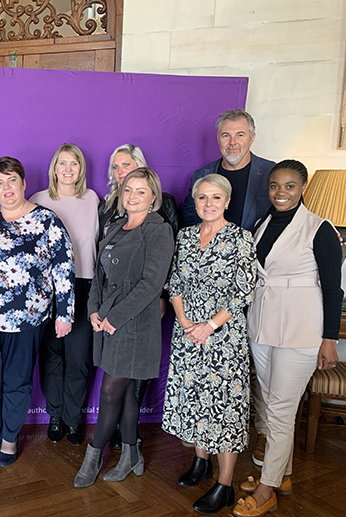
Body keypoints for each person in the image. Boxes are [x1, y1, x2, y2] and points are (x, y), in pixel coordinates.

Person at [233, 160, 343, 517]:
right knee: (268, 401)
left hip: (300, 330)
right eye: (275, 186)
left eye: (290, 186)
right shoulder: (263, 224)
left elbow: (333, 290)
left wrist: (329, 339)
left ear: (303, 188)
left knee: (281, 409)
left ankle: (267, 490)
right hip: (262, 325)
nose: (281, 193)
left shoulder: (320, 229)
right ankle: (283, 474)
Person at [0, 156, 75, 467]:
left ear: (24, 183)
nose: (6, 188)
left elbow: (63, 267)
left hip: (26, 318)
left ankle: (9, 438)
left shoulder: (47, 221)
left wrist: (65, 313)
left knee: (17, 379)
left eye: (11, 180)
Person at [73, 168, 174, 488]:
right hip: (106, 320)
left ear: (153, 198)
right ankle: (132, 454)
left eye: (141, 191)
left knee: (111, 389)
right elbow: (99, 276)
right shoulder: (115, 226)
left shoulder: (158, 230)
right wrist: (92, 311)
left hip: (135, 324)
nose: (132, 196)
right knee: (128, 392)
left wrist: (114, 318)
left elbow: (151, 285)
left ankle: (94, 456)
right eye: (128, 189)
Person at [163, 173, 257, 515]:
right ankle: (200, 461)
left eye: (216, 198)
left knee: (224, 408)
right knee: (196, 400)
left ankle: (225, 484)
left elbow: (243, 291)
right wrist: (186, 321)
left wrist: (209, 325)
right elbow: (173, 281)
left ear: (227, 202)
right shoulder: (185, 236)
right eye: (202, 197)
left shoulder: (241, 239)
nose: (208, 204)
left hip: (223, 337)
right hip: (187, 331)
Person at [98, 143, 180, 449]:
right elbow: (101, 265)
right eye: (117, 169)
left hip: (138, 312)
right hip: (111, 308)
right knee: (124, 384)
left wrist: (162, 296)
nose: (123, 175)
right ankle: (131, 452)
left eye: (127, 166)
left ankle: (98, 453)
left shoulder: (160, 219)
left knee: (119, 386)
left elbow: (158, 271)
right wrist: (100, 309)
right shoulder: (111, 212)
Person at [29, 144, 99, 446]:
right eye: (62, 163)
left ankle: (73, 420)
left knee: (79, 359)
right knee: (52, 357)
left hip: (83, 285)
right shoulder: (38, 200)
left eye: (74, 163)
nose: (68, 169)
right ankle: (55, 415)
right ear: (53, 168)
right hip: (49, 289)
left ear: (81, 169)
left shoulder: (93, 199)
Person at [181, 110, 274, 232]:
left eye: (240, 135)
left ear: (251, 138)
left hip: (257, 249)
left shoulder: (271, 173)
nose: (232, 142)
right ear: (218, 139)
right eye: (226, 135)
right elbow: (190, 218)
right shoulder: (201, 175)